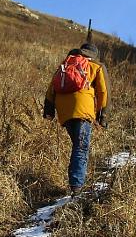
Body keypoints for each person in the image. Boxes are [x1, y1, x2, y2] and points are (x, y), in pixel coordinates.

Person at [43, 41, 109, 195]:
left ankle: (75, 182)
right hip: (83, 111)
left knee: (77, 145)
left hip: (64, 112)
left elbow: (50, 89)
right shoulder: (96, 66)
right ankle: (76, 186)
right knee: (81, 147)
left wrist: (49, 111)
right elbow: (103, 93)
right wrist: (102, 117)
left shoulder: (66, 64)